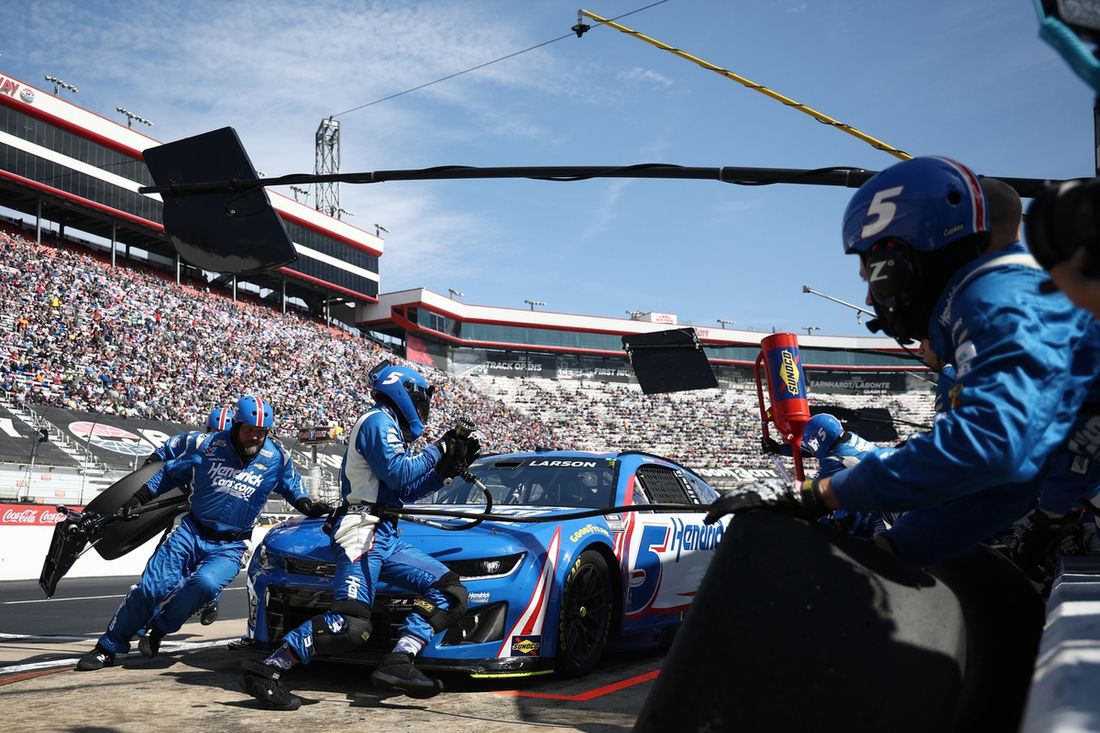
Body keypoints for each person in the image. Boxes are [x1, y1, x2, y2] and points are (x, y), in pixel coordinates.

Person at [706, 156, 1100, 567]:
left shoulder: (994, 300)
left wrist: (816, 495)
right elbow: (1008, 478)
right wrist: (892, 550)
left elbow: (989, 446)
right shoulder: (1013, 294)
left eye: (869, 274)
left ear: (900, 254)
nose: (868, 298)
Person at [238, 363, 480, 710]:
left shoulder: (388, 425)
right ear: (404, 394)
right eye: (421, 400)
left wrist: (445, 472)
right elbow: (399, 474)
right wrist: (439, 449)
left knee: (450, 592)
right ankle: (266, 669)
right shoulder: (377, 421)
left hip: (384, 534)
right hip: (361, 532)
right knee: (349, 625)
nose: (423, 409)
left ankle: (400, 659)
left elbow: (406, 490)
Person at [76, 395, 330, 671]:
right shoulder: (207, 445)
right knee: (151, 588)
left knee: (206, 585)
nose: (255, 437)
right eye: (249, 430)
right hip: (190, 531)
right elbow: (169, 473)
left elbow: (293, 487)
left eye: (261, 432)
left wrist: (307, 504)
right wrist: (139, 498)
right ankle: (107, 647)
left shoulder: (276, 458)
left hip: (232, 544)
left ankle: (160, 628)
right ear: (237, 425)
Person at [764, 413, 887, 535]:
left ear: (820, 438)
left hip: (872, 512)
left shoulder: (834, 462)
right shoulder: (848, 438)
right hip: (880, 498)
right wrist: (779, 449)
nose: (811, 446)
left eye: (813, 442)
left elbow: (814, 493)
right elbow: (822, 449)